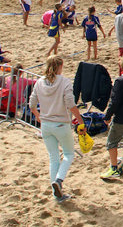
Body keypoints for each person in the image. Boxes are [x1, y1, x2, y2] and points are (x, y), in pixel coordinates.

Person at [28, 55, 83, 201]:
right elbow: (70, 104)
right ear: (60, 66)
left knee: (53, 158)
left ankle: (56, 193)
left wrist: (38, 116)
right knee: (69, 154)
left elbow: (31, 103)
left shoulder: (40, 82)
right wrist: (80, 119)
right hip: (61, 123)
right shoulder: (64, 82)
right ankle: (58, 181)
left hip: (46, 124)